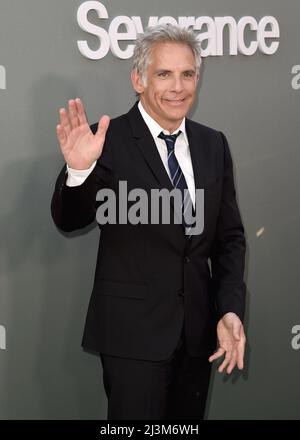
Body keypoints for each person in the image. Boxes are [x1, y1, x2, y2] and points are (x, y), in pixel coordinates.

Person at [51, 24, 247, 420]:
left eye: (187, 74)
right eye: (164, 74)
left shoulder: (213, 144)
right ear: (138, 79)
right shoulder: (105, 141)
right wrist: (78, 173)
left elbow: (229, 239)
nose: (178, 87)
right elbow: (69, 218)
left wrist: (229, 310)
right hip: (132, 339)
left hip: (196, 336)